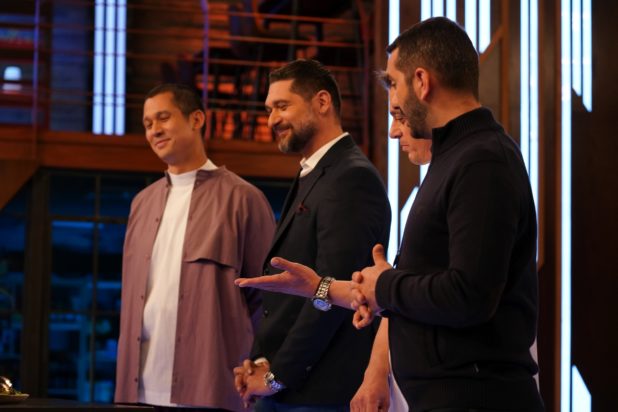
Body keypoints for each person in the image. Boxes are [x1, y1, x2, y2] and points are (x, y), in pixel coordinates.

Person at [236, 17, 545, 412]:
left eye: (394, 84)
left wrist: (383, 286)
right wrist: (319, 287)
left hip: (476, 397)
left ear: (422, 81)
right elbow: (416, 282)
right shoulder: (455, 157)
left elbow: (469, 295)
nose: (394, 119)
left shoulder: (482, 160)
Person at [233, 59, 391, 411]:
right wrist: (261, 361)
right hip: (292, 387)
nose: (272, 119)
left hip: (319, 391)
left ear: (322, 102)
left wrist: (277, 378)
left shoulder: (351, 177)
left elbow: (330, 293)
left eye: (282, 106)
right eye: (269, 109)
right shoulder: (317, 170)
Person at [115, 83, 276, 412]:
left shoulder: (243, 198)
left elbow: (268, 297)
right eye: (147, 124)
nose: (154, 130)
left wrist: (263, 365)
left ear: (196, 119)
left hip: (212, 387)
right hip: (137, 388)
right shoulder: (141, 204)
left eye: (163, 118)